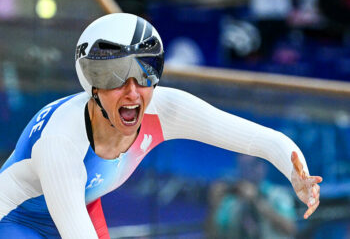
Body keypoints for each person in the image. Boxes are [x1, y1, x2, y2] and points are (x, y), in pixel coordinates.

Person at [0, 13, 322, 239]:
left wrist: (298, 175)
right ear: (92, 86)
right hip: (13, 217)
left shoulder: (164, 108)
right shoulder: (61, 142)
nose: (132, 92)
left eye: (144, 74)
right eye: (114, 77)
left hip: (81, 203)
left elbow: (261, 140)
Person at [207, 154, 297, 238]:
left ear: (261, 167)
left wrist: (257, 200)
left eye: (248, 167)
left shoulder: (277, 195)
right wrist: (214, 206)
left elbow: (290, 229)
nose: (245, 173)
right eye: (241, 168)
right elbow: (213, 235)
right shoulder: (231, 201)